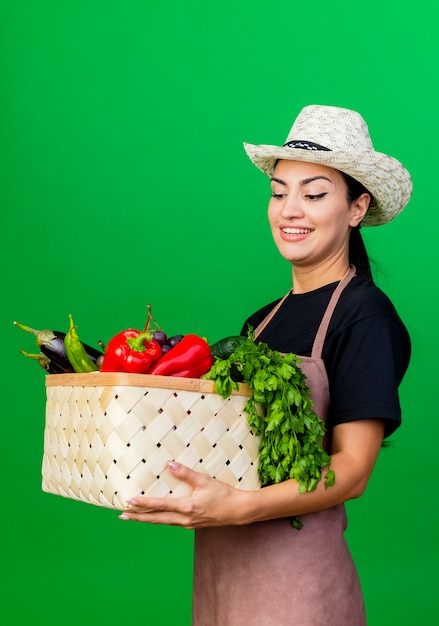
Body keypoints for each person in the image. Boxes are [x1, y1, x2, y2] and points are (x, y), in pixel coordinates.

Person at [119, 105, 412, 625]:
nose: (290, 210)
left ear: (356, 207)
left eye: (315, 193)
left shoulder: (363, 315)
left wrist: (235, 508)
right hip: (220, 572)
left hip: (297, 587)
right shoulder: (258, 324)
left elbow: (351, 470)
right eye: (279, 193)